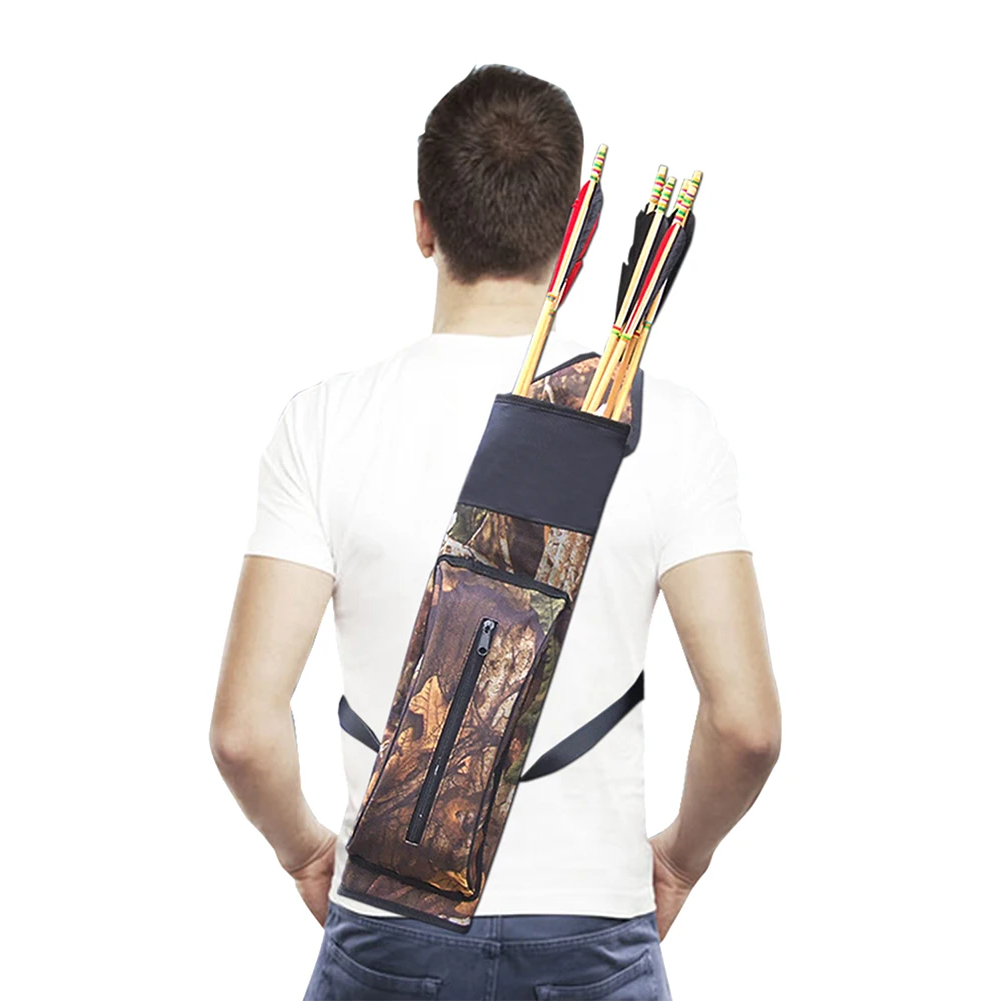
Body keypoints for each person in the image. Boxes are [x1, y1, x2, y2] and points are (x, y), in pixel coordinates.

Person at [211, 64, 781, 1001]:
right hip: (593, 923)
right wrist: (680, 858)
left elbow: (242, 734)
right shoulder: (669, 423)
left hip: (386, 921)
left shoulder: (323, 422)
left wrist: (307, 851)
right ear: (574, 234)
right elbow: (746, 727)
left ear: (422, 224)